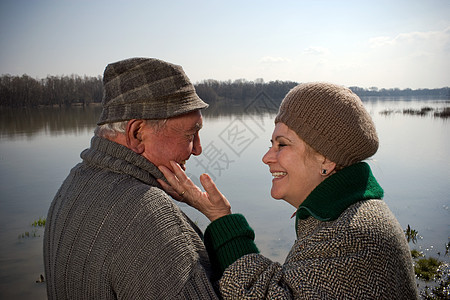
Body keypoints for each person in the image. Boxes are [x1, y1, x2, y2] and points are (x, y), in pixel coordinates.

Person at [159, 82, 419, 299]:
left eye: (281, 145)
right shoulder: (343, 214)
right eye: (271, 143)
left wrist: (223, 222)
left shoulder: (352, 234)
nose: (266, 157)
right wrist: (220, 215)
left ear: (326, 160)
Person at [44, 57, 219, 299]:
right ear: (137, 133)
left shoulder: (71, 185)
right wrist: (223, 222)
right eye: (191, 135)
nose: (197, 149)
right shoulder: (149, 214)